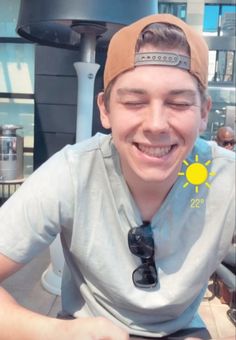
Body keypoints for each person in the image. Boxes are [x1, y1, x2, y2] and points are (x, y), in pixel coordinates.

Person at [0, 13, 235, 340]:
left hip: (183, 331)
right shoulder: (72, 172)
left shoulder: (227, 178)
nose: (156, 124)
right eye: (135, 102)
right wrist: (58, 334)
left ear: (203, 113)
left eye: (178, 103)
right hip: (85, 330)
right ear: (105, 109)